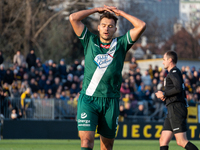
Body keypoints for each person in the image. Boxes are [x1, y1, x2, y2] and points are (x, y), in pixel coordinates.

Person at [69, 5, 146, 150]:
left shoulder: (121, 44)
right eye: (103, 25)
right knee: (86, 142)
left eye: (110, 26)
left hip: (111, 101)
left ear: (115, 29)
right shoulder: (89, 41)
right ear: (98, 27)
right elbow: (73, 18)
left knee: (107, 146)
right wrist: (95, 10)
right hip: (89, 99)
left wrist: (121, 13)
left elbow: (141, 25)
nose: (106, 28)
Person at [155, 51, 199, 150]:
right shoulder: (173, 73)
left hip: (176, 109)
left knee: (181, 141)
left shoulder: (174, 72)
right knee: (163, 140)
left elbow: (178, 88)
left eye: (164, 60)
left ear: (170, 60)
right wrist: (165, 96)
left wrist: (164, 94)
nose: (163, 62)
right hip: (172, 108)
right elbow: (176, 90)